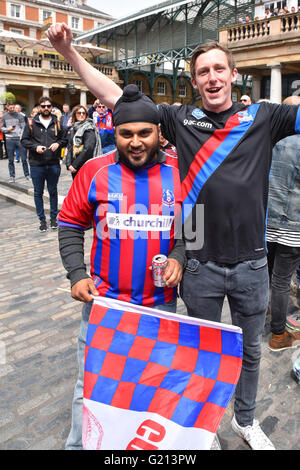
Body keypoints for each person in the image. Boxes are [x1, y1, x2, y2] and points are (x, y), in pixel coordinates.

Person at [47, 23, 300, 451]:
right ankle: (202, 430)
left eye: (220, 69)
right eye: (203, 71)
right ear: (195, 80)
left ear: (234, 74)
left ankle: (245, 419)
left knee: (251, 354)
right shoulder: (179, 119)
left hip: (255, 264)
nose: (212, 77)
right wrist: (70, 55)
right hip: (198, 266)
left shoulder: (263, 116)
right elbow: (115, 96)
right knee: (197, 360)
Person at [57, 84, 185, 450]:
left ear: (160, 133)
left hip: (160, 308)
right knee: (92, 388)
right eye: (126, 133)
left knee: (151, 386)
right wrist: (77, 274)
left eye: (145, 132)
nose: (135, 141)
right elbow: (69, 224)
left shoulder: (181, 172)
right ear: (114, 132)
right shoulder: (95, 170)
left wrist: (179, 256)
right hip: (104, 307)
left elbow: (193, 230)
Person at [266, 96, 300, 351]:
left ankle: (266, 312)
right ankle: (278, 335)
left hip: (267, 222)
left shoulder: (269, 141)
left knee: (267, 276)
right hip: (293, 226)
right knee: (281, 280)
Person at [21, 96, 67, 232]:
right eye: (43, 106)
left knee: (53, 191)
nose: (46, 108)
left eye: (48, 106)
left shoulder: (57, 123)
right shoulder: (31, 122)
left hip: (53, 163)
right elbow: (23, 140)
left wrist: (58, 143)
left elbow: (65, 139)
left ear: (52, 107)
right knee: (38, 193)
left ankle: (53, 218)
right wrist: (35, 147)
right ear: (39, 107)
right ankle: (42, 220)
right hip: (36, 164)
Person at [65, 104, 102, 179]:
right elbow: (70, 146)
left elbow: (88, 148)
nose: (81, 115)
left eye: (83, 113)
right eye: (79, 113)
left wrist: (75, 165)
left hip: (85, 164)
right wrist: (68, 164)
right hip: (74, 165)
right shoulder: (73, 128)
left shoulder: (89, 128)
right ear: (75, 115)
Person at [1, 101, 30, 183]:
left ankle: (27, 175)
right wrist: (7, 129)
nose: (12, 109)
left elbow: (23, 126)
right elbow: (2, 128)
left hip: (19, 139)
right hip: (9, 139)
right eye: (11, 108)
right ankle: (12, 176)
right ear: (7, 107)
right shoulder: (4, 117)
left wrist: (21, 136)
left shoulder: (19, 115)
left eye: (13, 107)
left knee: (24, 159)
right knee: (10, 160)